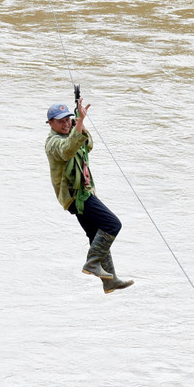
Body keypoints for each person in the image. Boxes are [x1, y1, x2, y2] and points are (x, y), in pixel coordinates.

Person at [45, 96, 134, 294]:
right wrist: (81, 123)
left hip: (82, 193)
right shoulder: (52, 143)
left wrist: (79, 122)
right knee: (112, 224)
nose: (66, 123)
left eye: (68, 119)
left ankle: (110, 281)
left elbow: (88, 144)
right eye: (61, 121)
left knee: (96, 235)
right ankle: (92, 262)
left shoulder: (71, 133)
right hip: (77, 197)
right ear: (50, 124)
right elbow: (67, 151)